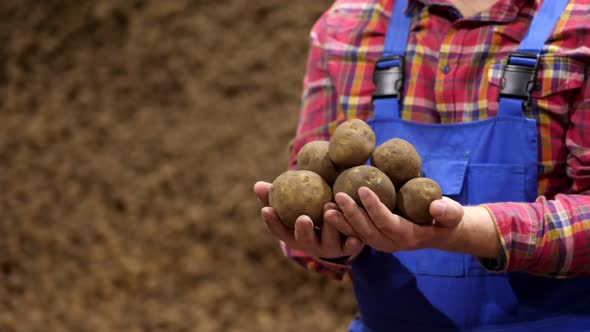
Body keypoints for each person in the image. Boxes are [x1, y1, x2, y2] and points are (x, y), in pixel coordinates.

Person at [254, 0, 590, 331]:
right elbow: (309, 181)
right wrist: (327, 242)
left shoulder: (580, 22)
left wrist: (470, 230)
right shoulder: (344, 28)